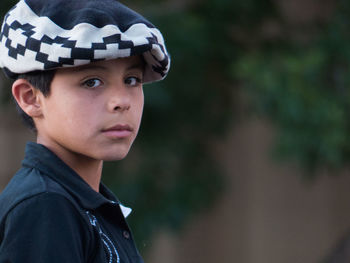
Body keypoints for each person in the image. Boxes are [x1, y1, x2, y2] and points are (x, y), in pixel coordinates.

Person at [0, 0, 170, 262]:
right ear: (31, 98)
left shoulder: (83, 203)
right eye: (92, 82)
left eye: (131, 80)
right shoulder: (45, 206)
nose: (121, 101)